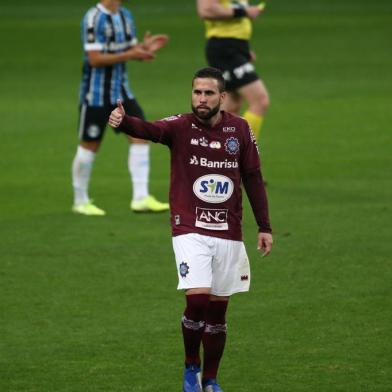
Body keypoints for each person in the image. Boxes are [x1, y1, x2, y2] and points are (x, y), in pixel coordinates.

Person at [109, 67, 273, 392]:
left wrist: (265, 226)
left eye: (208, 93)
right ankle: (190, 367)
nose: (201, 99)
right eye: (197, 92)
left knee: (218, 314)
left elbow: (253, 177)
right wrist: (124, 122)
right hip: (189, 227)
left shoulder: (239, 130)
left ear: (222, 97)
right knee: (197, 300)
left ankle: (210, 379)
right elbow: (152, 129)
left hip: (228, 230)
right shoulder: (181, 126)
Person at [71, 0, 170, 216]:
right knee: (90, 145)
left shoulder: (125, 15)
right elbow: (95, 59)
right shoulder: (93, 18)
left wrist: (145, 49)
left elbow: (129, 50)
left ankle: (141, 198)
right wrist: (131, 54)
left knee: (141, 135)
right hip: (95, 95)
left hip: (121, 93)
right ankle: (80, 201)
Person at [196, 0, 269, 140]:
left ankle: (219, 154)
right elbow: (206, 9)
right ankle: (243, 151)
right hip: (224, 48)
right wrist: (245, 12)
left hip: (233, 48)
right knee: (260, 100)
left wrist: (242, 50)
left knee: (231, 107)